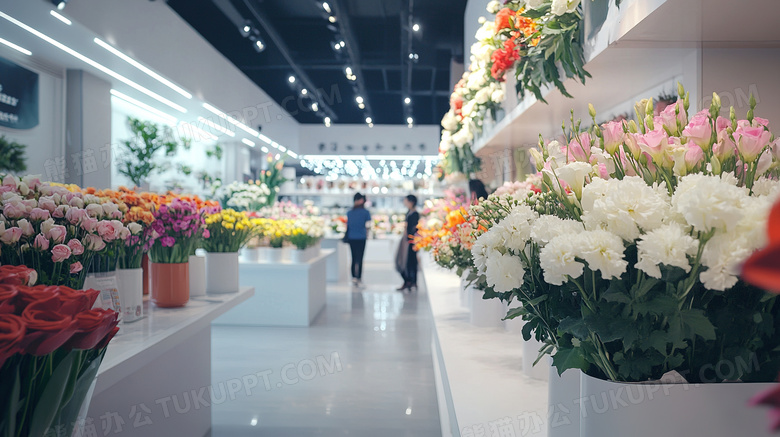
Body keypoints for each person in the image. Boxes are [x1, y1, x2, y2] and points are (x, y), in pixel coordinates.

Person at [345, 193, 371, 286]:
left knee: (353, 257)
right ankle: (358, 277)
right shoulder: (365, 212)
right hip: (361, 237)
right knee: (360, 258)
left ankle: (353, 277)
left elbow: (347, 225)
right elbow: (368, 225)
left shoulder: (349, 212)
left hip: (352, 237)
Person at [395, 194, 419, 292]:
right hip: (407, 240)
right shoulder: (409, 212)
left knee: (409, 261)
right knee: (405, 261)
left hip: (410, 241)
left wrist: (410, 239)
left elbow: (413, 228)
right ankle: (408, 281)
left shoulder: (414, 214)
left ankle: (411, 281)